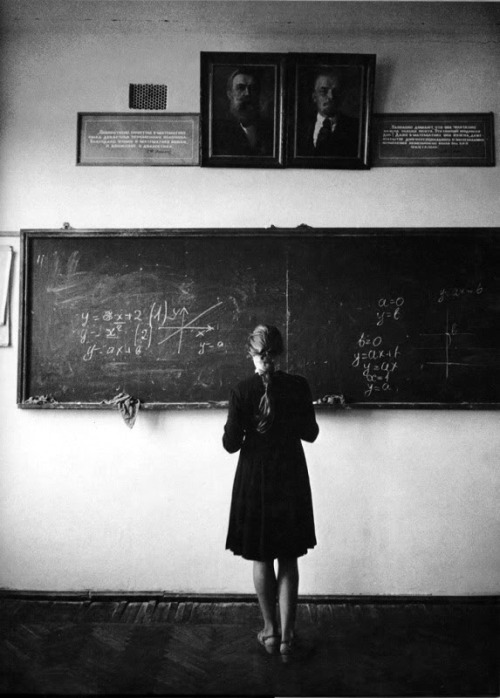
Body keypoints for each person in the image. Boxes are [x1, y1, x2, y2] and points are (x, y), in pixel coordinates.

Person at [223, 324, 319, 661]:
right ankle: (288, 638)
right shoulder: (298, 386)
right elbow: (311, 434)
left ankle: (269, 631)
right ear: (279, 352)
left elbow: (230, 445)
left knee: (262, 556)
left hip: (256, 478)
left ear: (251, 352)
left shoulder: (241, 390)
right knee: (288, 557)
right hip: (290, 475)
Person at [297, 68, 360, 157]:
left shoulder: (356, 128)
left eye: (335, 92)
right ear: (314, 96)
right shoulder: (300, 128)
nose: (331, 96)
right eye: (324, 91)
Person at [212, 68, 274, 157]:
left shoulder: (270, 128)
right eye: (240, 88)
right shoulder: (218, 130)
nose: (247, 93)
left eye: (252, 88)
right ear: (230, 94)